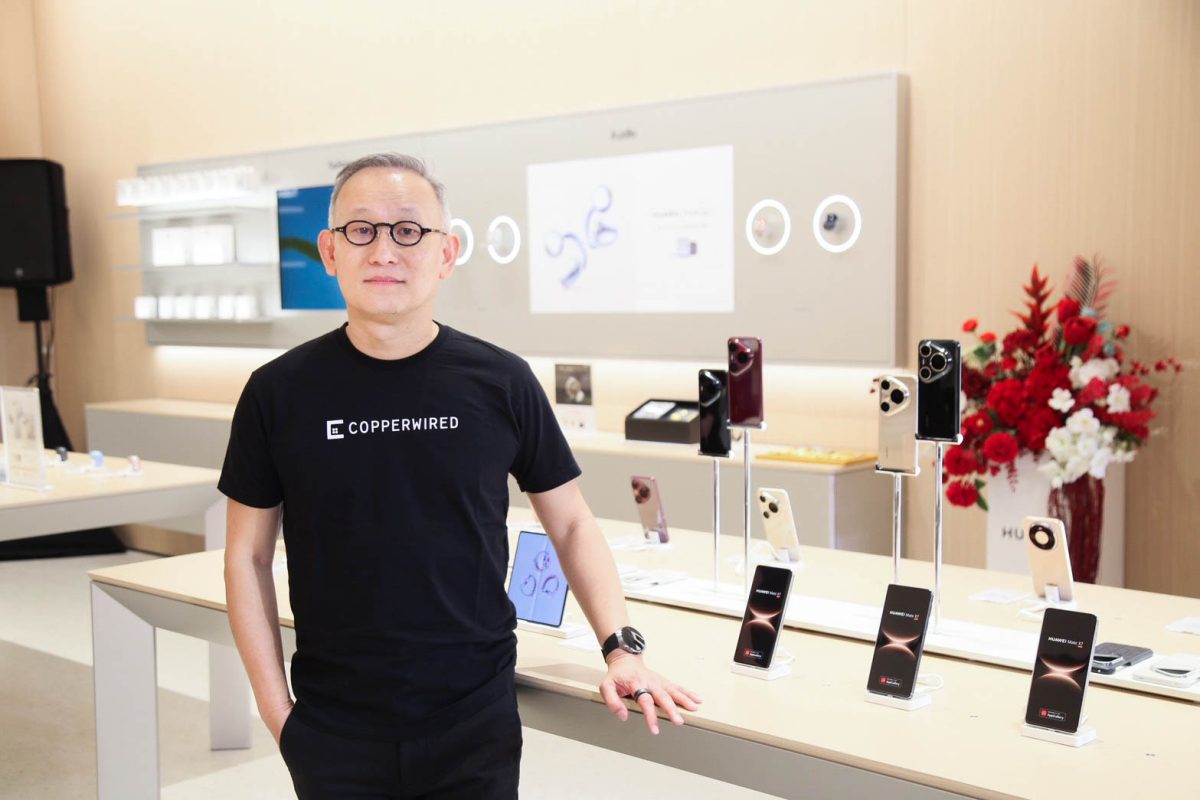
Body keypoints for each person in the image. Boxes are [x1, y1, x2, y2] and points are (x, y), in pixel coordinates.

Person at [220, 153, 700, 799]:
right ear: (330, 251)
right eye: (361, 230)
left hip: (473, 721)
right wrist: (278, 714)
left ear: (445, 254)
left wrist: (621, 648)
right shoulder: (277, 392)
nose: (384, 250)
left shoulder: (500, 381)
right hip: (333, 726)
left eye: (408, 230)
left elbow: (571, 524)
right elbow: (247, 556)